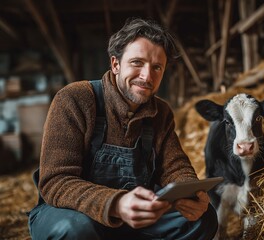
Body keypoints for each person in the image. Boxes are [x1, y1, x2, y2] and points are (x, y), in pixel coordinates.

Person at [27, 18, 218, 240]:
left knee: (203, 219)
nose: (147, 76)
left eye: (157, 67)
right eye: (137, 62)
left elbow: (175, 166)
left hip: (134, 217)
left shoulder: (160, 112)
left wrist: (191, 193)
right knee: (76, 230)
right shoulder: (74, 99)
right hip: (70, 213)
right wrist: (116, 203)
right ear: (116, 64)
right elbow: (55, 181)